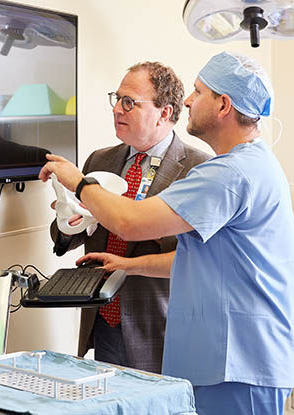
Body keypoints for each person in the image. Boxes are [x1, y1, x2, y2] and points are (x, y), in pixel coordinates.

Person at [40, 51, 294, 415]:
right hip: (227, 358)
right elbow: (201, 260)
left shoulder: (226, 174)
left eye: (198, 92)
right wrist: (129, 264)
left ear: (224, 104)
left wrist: (79, 184)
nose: (189, 102)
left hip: (237, 362)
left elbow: (131, 221)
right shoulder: (251, 165)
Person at [49, 62, 211, 373]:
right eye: (117, 98)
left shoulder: (199, 169)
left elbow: (200, 259)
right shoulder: (101, 159)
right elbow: (72, 235)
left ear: (164, 113)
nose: (117, 110)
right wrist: (66, 218)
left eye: (129, 103)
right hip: (103, 317)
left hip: (161, 326)